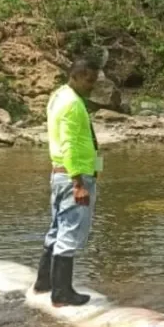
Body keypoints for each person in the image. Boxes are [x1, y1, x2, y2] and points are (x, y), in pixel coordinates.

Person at [32, 57, 102, 307]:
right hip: (74, 175)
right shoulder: (72, 104)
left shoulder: (59, 95)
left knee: (56, 227)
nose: (92, 85)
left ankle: (44, 282)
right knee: (69, 232)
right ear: (77, 75)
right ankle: (62, 293)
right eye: (89, 80)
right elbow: (70, 144)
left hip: (61, 174)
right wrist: (79, 183)